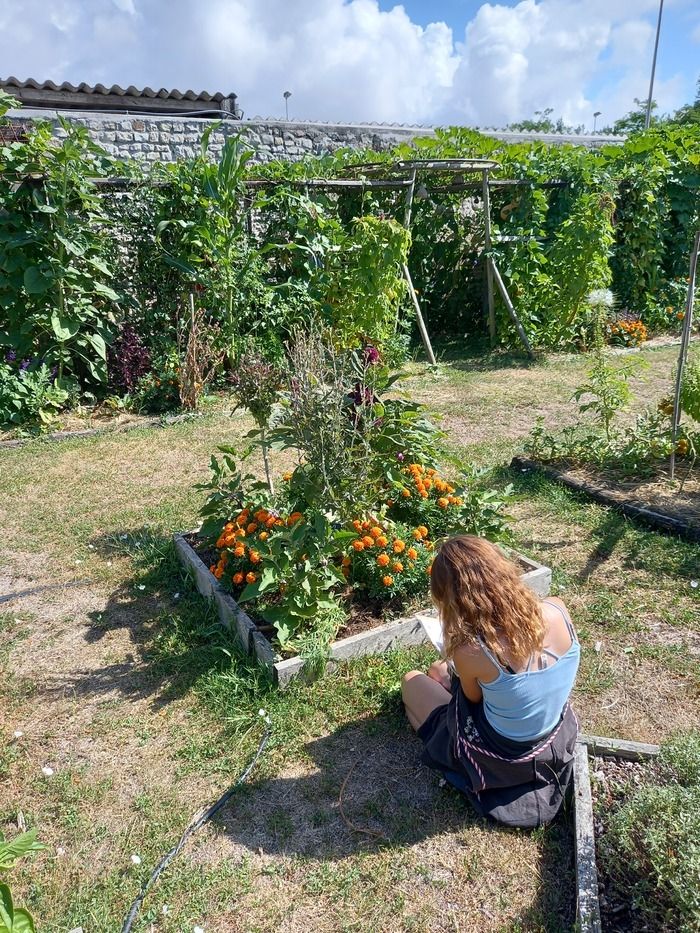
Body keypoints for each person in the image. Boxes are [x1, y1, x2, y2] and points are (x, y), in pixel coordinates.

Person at [402, 535, 580, 828]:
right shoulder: (557, 609)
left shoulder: (473, 650)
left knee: (412, 681)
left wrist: (456, 655)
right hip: (551, 733)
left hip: (504, 750)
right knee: (439, 670)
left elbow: (472, 701)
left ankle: (435, 735)